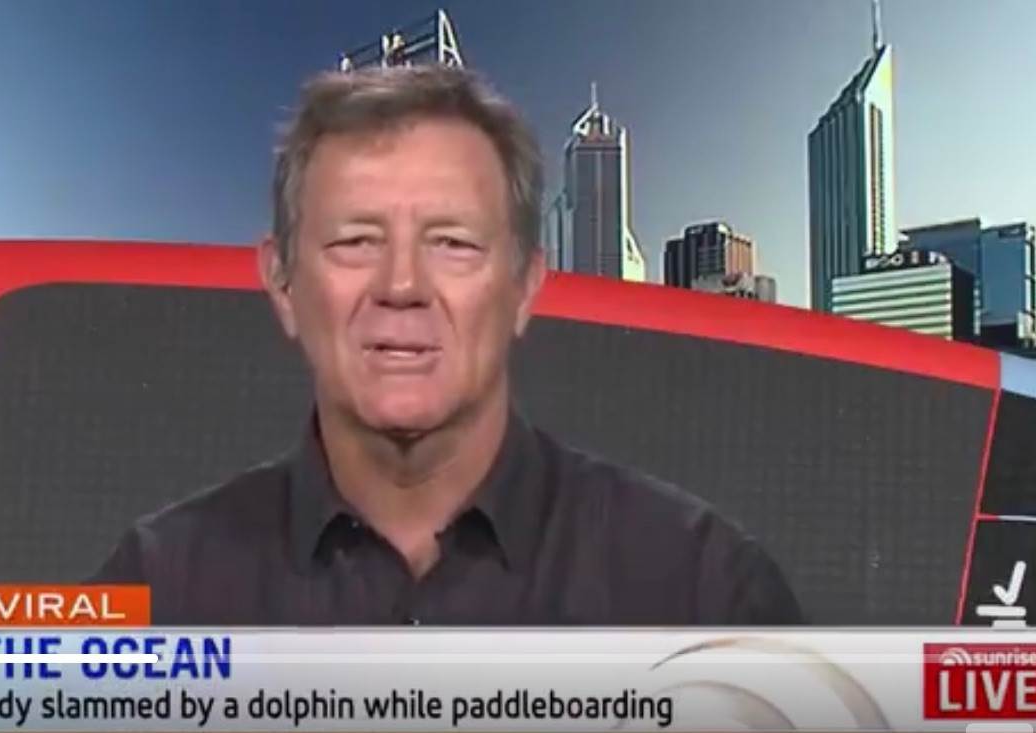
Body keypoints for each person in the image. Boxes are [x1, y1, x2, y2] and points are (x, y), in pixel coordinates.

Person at [90, 65, 805, 625]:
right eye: (355, 241)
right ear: (282, 283)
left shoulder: (703, 589)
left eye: (453, 244)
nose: (402, 285)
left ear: (524, 286)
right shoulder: (154, 588)